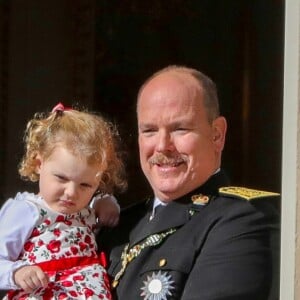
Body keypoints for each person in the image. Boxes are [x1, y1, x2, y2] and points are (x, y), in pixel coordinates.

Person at [96, 65, 280, 300]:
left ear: (217, 135)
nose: (162, 146)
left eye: (180, 129)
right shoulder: (116, 227)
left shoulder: (244, 220)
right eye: (150, 130)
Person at [0, 103, 127, 299]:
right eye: (61, 178)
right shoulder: (26, 211)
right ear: (38, 163)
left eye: (85, 185)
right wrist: (17, 273)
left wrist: (106, 202)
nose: (71, 193)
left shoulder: (88, 211)